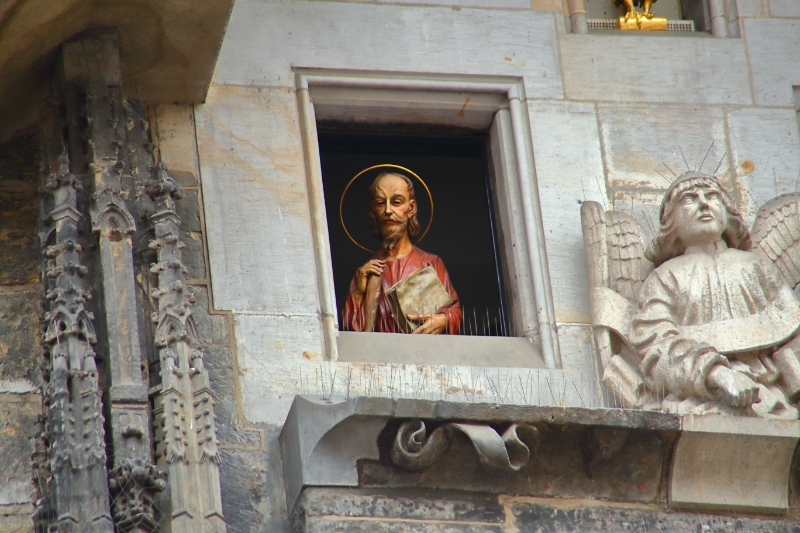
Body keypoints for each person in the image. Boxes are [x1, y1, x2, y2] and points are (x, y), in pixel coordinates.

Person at [630, 172, 800, 417]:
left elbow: (792, 329)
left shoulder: (757, 266)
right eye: (689, 199)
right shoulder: (664, 277)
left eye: (712, 196)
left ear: (726, 213)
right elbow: (656, 347)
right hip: (701, 394)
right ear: (671, 222)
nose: (703, 203)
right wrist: (716, 374)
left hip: (771, 393)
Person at [342, 172, 462, 334]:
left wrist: (444, 319)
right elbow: (351, 330)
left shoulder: (430, 263)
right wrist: (359, 294)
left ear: (411, 208)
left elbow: (455, 310)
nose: (388, 210)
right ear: (373, 211)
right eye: (380, 203)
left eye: (396, 202)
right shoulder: (366, 273)